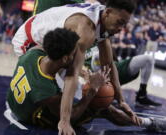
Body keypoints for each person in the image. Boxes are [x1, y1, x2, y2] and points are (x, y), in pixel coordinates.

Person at [7, 28, 166, 134]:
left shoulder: (33, 53)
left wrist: (84, 73)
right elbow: (70, 117)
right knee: (102, 106)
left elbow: (64, 62)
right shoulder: (46, 93)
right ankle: (152, 124)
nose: (78, 57)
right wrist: (92, 92)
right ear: (66, 57)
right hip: (31, 115)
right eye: (75, 54)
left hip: (17, 100)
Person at [11, 0, 143, 134]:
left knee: (71, 84)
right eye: (120, 22)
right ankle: (34, 105)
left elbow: (108, 64)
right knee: (53, 89)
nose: (121, 29)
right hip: (30, 39)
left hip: (47, 29)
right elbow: (72, 75)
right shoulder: (85, 29)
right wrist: (65, 120)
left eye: (124, 24)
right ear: (107, 13)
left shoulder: (105, 19)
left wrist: (121, 100)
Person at [91, 51, 162, 107]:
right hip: (105, 75)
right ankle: (140, 96)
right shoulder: (88, 44)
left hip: (116, 68)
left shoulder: (101, 39)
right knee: (147, 59)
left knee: (148, 59)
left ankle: (142, 94)